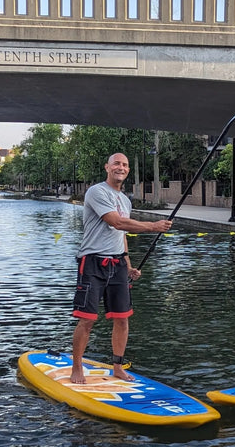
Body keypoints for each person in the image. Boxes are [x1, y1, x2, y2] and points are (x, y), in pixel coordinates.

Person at [70, 153, 172, 384]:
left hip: (116, 264)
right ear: (107, 167)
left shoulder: (125, 200)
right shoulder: (97, 192)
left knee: (122, 318)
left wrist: (127, 265)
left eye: (125, 164)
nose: (121, 167)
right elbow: (116, 222)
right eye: (117, 163)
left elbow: (121, 234)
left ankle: (117, 366)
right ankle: (77, 367)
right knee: (87, 319)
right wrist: (153, 226)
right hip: (93, 262)